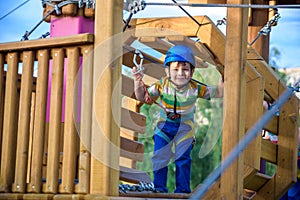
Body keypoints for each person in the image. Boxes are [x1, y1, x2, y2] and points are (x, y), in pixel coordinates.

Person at [132, 45, 223, 193]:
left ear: (192, 71)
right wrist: (137, 81)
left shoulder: (196, 88)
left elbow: (218, 93)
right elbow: (143, 98)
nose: (180, 73)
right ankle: (159, 187)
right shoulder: (161, 85)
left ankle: (182, 189)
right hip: (164, 126)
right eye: (175, 69)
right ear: (168, 71)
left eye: (185, 69)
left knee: (183, 159)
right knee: (160, 156)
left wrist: (223, 77)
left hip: (185, 127)